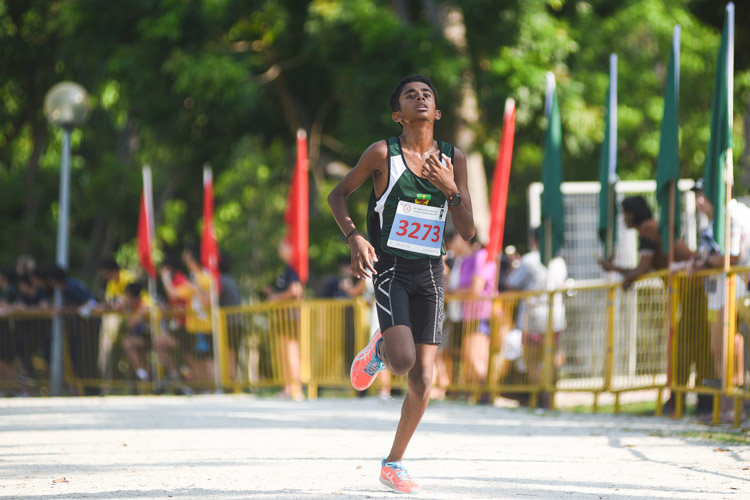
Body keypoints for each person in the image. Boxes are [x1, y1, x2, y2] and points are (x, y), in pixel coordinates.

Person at [327, 74, 475, 494]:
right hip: (390, 266)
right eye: (411, 95)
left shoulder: (454, 158)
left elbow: (467, 232)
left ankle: (394, 463)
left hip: (431, 271)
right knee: (403, 361)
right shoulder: (382, 153)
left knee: (424, 380)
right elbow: (337, 195)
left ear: (437, 111)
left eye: (427, 94)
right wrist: (355, 236)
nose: (420, 98)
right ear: (399, 114)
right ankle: (380, 349)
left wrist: (451, 190)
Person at [598, 195, 705, 413]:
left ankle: (687, 401)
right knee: (688, 345)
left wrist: (625, 277)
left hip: (695, 289)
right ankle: (686, 400)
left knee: (686, 345)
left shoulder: (647, 229)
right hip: (692, 290)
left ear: (632, 213)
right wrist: (618, 271)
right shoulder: (651, 227)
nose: (623, 218)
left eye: (624, 213)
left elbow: (643, 268)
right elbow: (643, 267)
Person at [688, 179, 750, 419]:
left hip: (735, 291)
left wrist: (701, 263)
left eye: (703, 193)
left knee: (728, 348)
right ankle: (728, 407)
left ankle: (733, 407)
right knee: (720, 349)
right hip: (720, 293)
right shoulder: (717, 220)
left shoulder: (732, 214)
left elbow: (732, 256)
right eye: (697, 194)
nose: (699, 200)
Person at [506, 227, 567, 409]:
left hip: (532, 318)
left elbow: (512, 284)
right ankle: (549, 396)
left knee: (531, 361)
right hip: (555, 317)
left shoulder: (529, 260)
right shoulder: (559, 261)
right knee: (552, 357)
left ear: (534, 239)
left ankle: (542, 397)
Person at [444, 230, 496, 395]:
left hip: (480, 315)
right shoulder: (466, 260)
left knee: (476, 358)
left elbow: (475, 289)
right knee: (470, 357)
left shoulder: (481, 256)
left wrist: (452, 293)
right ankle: (480, 395)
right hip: (468, 315)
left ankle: (486, 395)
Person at [265, 238, 305, 401]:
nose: (280, 249)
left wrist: (276, 297)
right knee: (284, 352)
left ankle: (295, 389)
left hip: (290, 316)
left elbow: (295, 290)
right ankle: (288, 388)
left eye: (283, 246)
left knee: (290, 352)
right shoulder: (287, 269)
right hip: (284, 316)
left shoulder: (293, 268)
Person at [120, 282, 151, 384]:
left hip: (150, 337)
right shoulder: (132, 305)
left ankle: (141, 373)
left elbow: (131, 324)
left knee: (127, 344)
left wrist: (127, 310)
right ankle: (144, 378)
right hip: (140, 337)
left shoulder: (143, 306)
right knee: (140, 356)